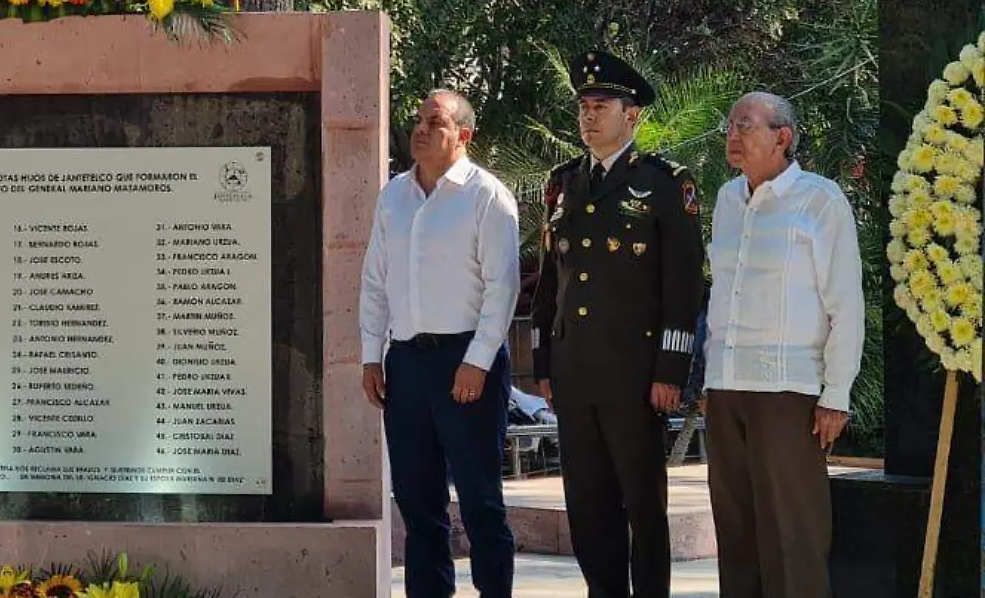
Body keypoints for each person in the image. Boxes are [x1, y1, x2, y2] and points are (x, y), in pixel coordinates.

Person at [531, 50, 704, 598]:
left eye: (600, 106)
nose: (588, 116)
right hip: (575, 371)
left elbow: (682, 287)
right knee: (587, 505)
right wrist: (543, 363)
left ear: (632, 116)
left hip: (636, 375)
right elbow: (549, 282)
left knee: (643, 507)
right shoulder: (562, 184)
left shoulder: (664, 185)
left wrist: (671, 370)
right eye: (583, 106)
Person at [359, 90, 520, 598]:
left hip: (467, 361)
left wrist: (478, 361)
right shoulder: (394, 196)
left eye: (436, 122)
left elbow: (502, 287)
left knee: (479, 502)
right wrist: (371, 354)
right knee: (416, 499)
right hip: (406, 364)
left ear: (463, 136)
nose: (421, 130)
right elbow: (375, 280)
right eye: (418, 121)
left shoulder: (486, 195)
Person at [703, 92, 863, 598]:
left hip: (787, 391)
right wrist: (710, 379)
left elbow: (845, 303)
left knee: (793, 536)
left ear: (782, 137)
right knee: (736, 533)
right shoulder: (728, 200)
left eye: (745, 125)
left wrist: (836, 393)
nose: (732, 134)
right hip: (727, 388)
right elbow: (720, 295)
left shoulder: (820, 200)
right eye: (730, 125)